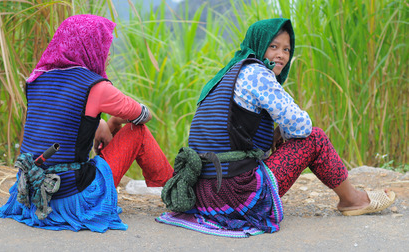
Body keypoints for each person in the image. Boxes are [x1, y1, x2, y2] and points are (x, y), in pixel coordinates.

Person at [157, 18, 396, 238]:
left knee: (281, 133)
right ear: (259, 45)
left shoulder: (227, 75)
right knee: (315, 138)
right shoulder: (258, 74)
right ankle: (352, 199)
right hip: (235, 196)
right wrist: (285, 132)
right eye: (273, 47)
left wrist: (278, 134)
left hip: (203, 194)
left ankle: (351, 198)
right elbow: (302, 126)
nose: (281, 55)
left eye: (286, 49)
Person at [0, 14, 173, 232]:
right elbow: (143, 115)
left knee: (93, 132)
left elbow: (59, 122)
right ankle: (175, 189)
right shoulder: (95, 86)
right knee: (138, 132)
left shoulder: (36, 79)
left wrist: (99, 125)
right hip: (70, 196)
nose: (107, 54)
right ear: (91, 46)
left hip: (31, 194)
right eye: (105, 46)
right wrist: (116, 121)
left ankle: (172, 187)